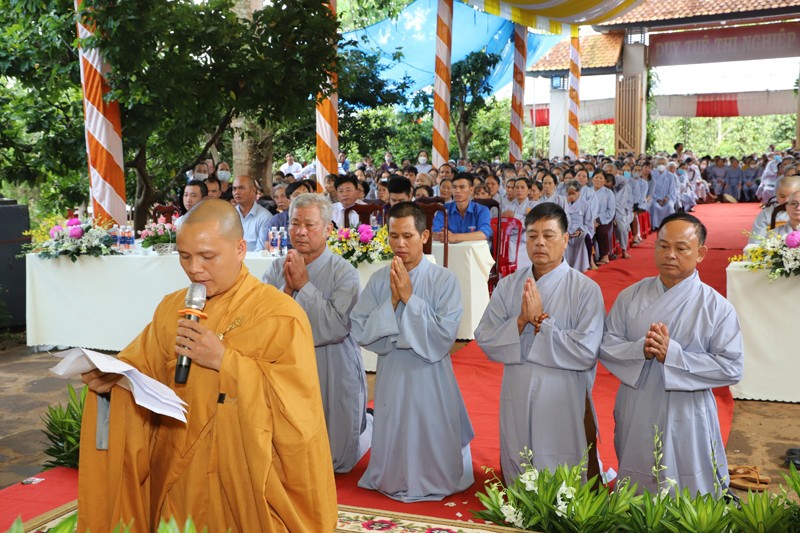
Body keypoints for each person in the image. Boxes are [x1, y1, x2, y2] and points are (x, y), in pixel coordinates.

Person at [78, 199, 337, 532]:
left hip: (243, 472)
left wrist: (224, 361)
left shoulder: (279, 314)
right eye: (185, 256)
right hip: (179, 464)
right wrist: (112, 375)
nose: (194, 269)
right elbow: (141, 365)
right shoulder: (173, 308)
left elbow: (297, 407)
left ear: (240, 249)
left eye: (207, 257)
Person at [599, 212, 743, 496]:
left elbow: (732, 367)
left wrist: (674, 355)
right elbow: (606, 342)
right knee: (639, 470)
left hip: (688, 409)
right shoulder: (631, 296)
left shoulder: (716, 307)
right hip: (638, 401)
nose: (670, 255)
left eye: (680, 248)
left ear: (700, 253)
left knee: (687, 476)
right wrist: (638, 349)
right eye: (663, 246)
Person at [351, 202, 474, 502]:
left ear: (425, 236)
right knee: (396, 424)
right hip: (393, 369)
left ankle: (434, 476)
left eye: (408, 236)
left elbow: (444, 336)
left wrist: (409, 299)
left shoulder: (444, 280)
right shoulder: (381, 279)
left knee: (429, 426)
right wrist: (392, 303)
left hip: (430, 374)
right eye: (393, 236)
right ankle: (392, 476)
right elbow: (359, 326)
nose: (400, 244)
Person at [475, 203, 605, 484]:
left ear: (566, 239)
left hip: (564, 393)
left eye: (549, 235)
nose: (539, 243)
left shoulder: (585, 289)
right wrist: (521, 322)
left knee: (563, 456)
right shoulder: (509, 285)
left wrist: (542, 326)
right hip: (518, 385)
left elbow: (586, 352)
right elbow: (485, 336)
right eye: (532, 236)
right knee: (519, 447)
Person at [263, 194, 372, 473]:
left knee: (334, 457)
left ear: (327, 229)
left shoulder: (343, 272)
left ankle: (368, 426)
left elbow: (335, 327)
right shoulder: (276, 268)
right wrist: (287, 290)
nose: (300, 231)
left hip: (330, 363)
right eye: (295, 223)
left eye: (310, 225)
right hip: (287, 364)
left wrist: (304, 286)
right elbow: (264, 322)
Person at [432, 172, 493, 243]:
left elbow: (484, 234)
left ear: (471, 190)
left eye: (462, 187)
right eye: (454, 187)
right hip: (450, 251)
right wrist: (442, 235)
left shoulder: (482, 210)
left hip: (472, 252)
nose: (457, 191)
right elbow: (435, 233)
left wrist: (455, 237)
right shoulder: (443, 209)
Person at [748, 176, 800, 244]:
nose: (786, 200)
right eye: (782, 196)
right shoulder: (766, 213)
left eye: (791, 196)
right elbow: (755, 242)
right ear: (776, 194)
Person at [232, 175, 272, 251]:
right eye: (234, 189)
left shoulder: (265, 217)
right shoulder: (229, 215)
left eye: (241, 188)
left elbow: (261, 250)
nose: (237, 192)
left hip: (254, 261)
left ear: (253, 190)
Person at [565, 181, 593, 273]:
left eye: (574, 193)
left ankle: (584, 265)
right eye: (569, 194)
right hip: (566, 232)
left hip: (579, 232)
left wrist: (580, 230)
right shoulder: (564, 204)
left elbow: (589, 224)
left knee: (585, 237)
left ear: (579, 193)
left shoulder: (585, 205)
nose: (571, 196)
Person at [649, 157, 677, 230]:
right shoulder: (652, 174)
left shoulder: (670, 175)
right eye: (659, 163)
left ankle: (669, 225)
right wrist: (657, 199)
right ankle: (656, 226)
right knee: (655, 207)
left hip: (667, 198)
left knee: (670, 206)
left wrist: (667, 198)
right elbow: (651, 189)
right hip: (655, 198)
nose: (661, 165)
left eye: (663, 163)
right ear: (656, 164)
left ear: (666, 165)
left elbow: (672, 190)